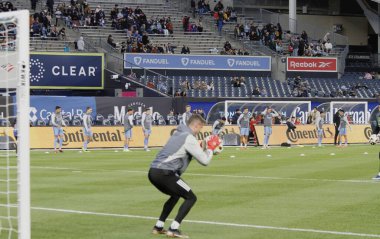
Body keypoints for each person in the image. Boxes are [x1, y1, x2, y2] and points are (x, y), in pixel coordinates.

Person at [148, 115, 221, 238]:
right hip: (165, 173)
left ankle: (158, 227)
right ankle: (173, 229)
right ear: (196, 125)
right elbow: (205, 161)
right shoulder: (189, 138)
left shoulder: (178, 134)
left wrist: (204, 146)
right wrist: (210, 149)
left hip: (153, 172)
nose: (200, 131)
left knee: (176, 195)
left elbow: (190, 151)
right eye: (200, 128)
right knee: (191, 198)